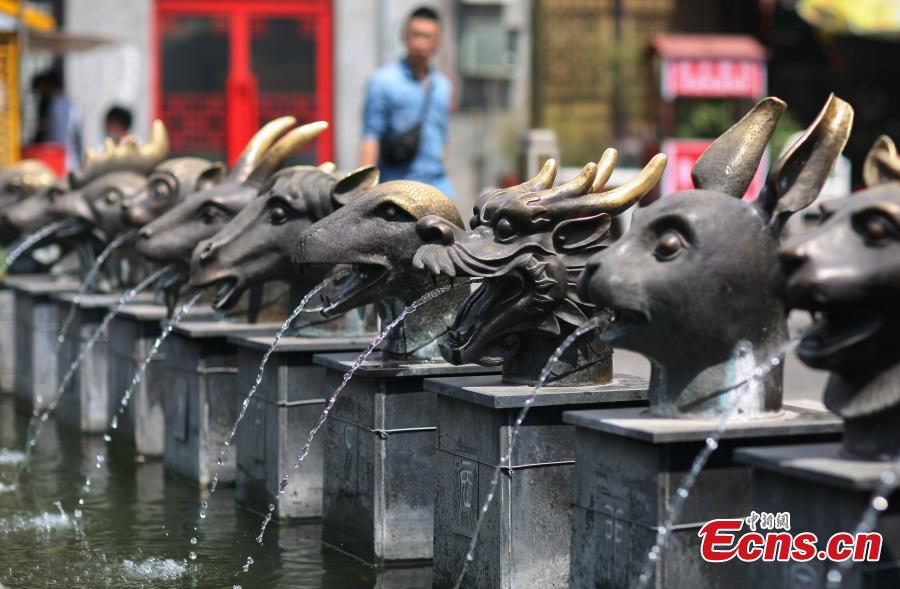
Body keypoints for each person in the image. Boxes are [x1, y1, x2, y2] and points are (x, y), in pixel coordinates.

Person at [360, 6, 454, 197]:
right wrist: (363, 190)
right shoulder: (383, 81)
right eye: (415, 35)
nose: (420, 43)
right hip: (397, 187)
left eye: (427, 36)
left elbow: (442, 136)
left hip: (438, 186)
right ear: (404, 36)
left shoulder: (443, 86)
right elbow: (371, 136)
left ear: (438, 41)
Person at [30, 70, 81, 171]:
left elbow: (45, 130)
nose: (40, 94)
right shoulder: (71, 104)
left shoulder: (52, 104)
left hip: (54, 158)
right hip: (67, 159)